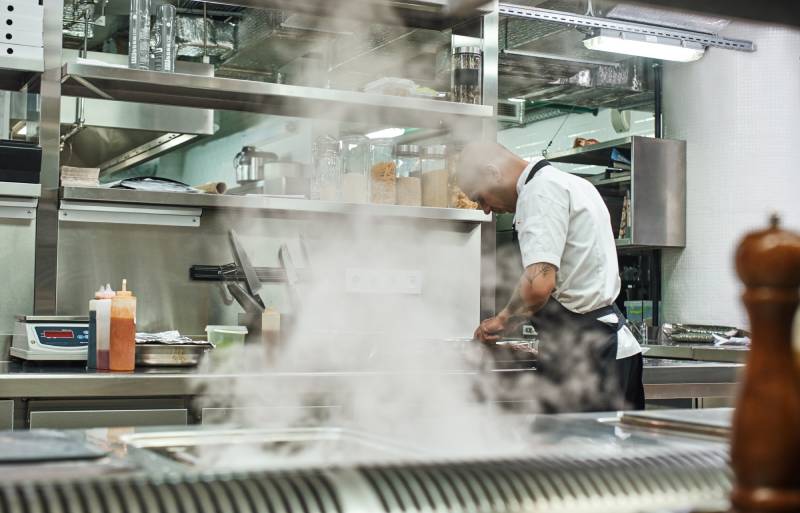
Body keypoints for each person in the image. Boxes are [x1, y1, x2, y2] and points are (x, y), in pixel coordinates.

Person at [457, 141, 644, 412]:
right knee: (613, 450)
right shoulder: (574, 184)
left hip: (588, 358)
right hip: (605, 347)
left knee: (579, 451)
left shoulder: (539, 193)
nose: (485, 209)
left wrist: (502, 320)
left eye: (479, 197)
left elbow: (539, 284)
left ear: (492, 173)